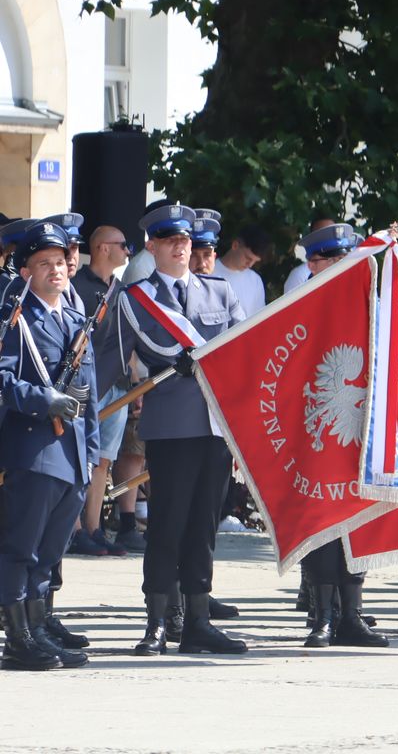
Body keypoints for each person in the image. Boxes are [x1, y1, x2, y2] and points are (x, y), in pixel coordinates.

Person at [110, 204, 249, 655]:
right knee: (167, 524)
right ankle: (156, 623)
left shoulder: (220, 291)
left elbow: (241, 351)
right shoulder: (136, 298)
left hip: (214, 426)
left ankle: (198, 622)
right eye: (170, 239)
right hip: (170, 427)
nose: (180, 245)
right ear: (151, 246)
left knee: (204, 528)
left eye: (186, 239)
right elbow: (115, 360)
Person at [0, 221, 99, 670]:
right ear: (26, 272)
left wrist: (92, 453)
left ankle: (39, 630)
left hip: (73, 456)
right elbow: (2, 380)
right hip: (35, 449)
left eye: (60, 262)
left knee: (50, 552)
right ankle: (17, 639)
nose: (56, 270)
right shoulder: (16, 320)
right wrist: (45, 400)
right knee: (21, 547)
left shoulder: (77, 321)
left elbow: (89, 397)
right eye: (44, 263)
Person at [294, 223, 390, 648]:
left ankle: (352, 614)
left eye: (347, 258)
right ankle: (323, 616)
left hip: (362, 428)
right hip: (317, 432)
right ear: (313, 264)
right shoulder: (299, 305)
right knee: (322, 523)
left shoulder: (372, 303)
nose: (343, 267)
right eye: (333, 259)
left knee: (355, 522)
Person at [69, 225, 140, 556]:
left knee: (103, 462)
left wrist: (136, 384)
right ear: (101, 248)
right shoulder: (76, 287)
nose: (128, 251)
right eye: (122, 245)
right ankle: (75, 528)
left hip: (118, 386)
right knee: (79, 459)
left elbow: (131, 342)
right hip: (86, 387)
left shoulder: (122, 290)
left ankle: (94, 528)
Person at [211, 224, 270, 316]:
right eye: (248, 258)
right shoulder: (208, 273)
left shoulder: (255, 280)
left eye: (255, 261)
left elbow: (258, 319)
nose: (250, 265)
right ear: (235, 245)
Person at [284, 217, 336, 293]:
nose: (328, 238)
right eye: (323, 234)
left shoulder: (343, 267)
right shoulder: (300, 275)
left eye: (332, 233)